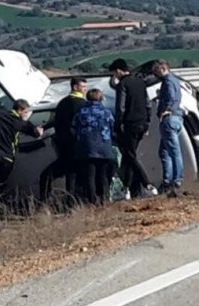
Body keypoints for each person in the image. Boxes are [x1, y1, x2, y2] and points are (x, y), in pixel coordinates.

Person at [108, 58, 158, 200]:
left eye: (114, 73)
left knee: (130, 156)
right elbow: (147, 104)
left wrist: (118, 125)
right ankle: (126, 189)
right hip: (142, 123)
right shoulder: (140, 83)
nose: (115, 76)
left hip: (130, 124)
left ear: (118, 71)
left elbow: (121, 107)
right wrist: (147, 122)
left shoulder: (122, 84)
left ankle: (147, 185)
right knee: (129, 157)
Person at [0, 99, 43, 198]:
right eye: (25, 112)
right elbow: (36, 133)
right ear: (19, 110)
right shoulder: (20, 123)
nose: (26, 115)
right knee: (0, 185)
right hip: (7, 158)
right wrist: (39, 131)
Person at [40, 76, 88, 202]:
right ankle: (74, 201)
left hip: (61, 142)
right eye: (83, 87)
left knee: (65, 172)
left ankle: (47, 199)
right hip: (76, 144)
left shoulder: (62, 103)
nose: (85, 90)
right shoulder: (81, 104)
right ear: (75, 87)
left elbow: (56, 121)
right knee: (75, 173)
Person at [72, 88, 115, 205]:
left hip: (86, 147)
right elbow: (112, 128)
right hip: (104, 147)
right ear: (101, 98)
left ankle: (92, 200)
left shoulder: (81, 112)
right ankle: (105, 200)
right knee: (103, 175)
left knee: (90, 175)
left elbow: (74, 128)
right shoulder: (107, 112)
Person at [152, 60, 184, 197]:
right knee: (164, 152)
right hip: (177, 119)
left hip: (169, 119)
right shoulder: (175, 81)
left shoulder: (168, 82)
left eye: (156, 70)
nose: (155, 73)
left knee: (173, 152)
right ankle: (168, 180)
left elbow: (171, 97)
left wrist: (167, 109)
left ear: (163, 68)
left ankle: (176, 180)